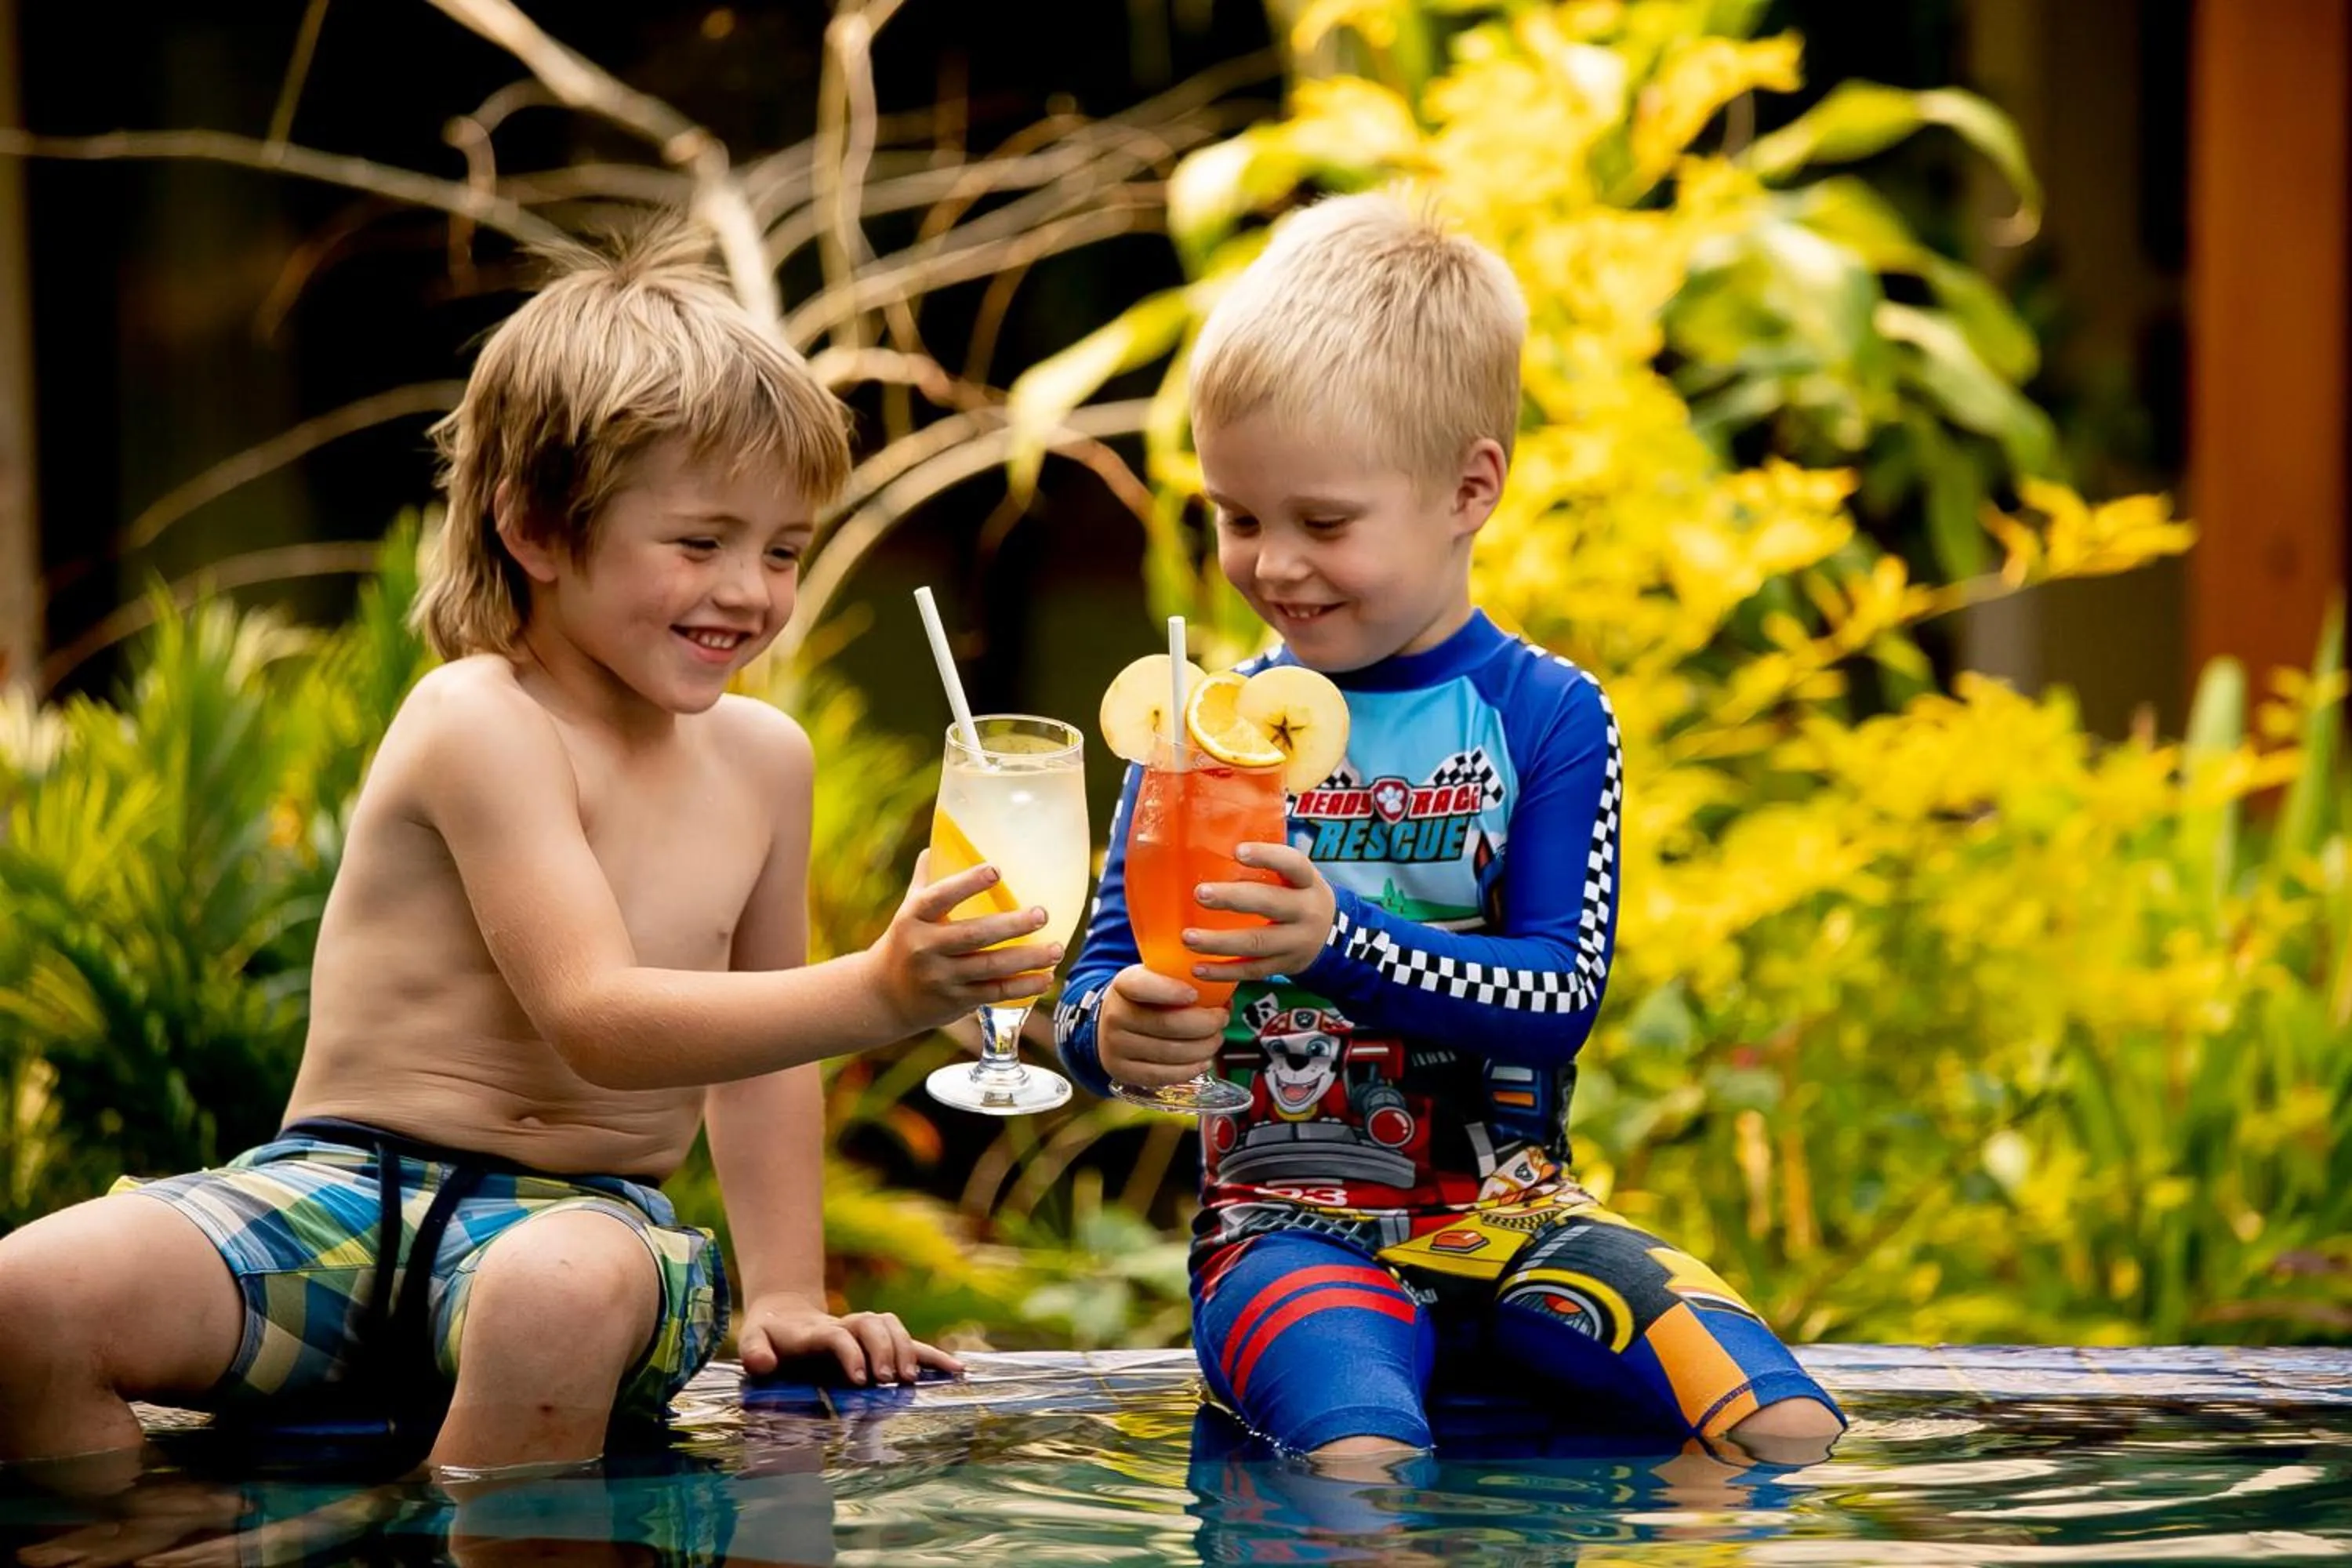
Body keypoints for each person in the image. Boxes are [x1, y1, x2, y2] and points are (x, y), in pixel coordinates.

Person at [0, 222, 1063, 1483]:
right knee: (23, 1305)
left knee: (548, 1295)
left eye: (781, 550)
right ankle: (136, 1535)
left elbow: (765, 1061)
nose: (751, 591)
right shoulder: (480, 719)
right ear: (540, 531)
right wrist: (884, 990)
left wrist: (788, 1292)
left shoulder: (765, 760)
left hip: (588, 1227)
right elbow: (596, 1019)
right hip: (343, 1194)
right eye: (700, 541)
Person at [1054, 193, 1845, 1470]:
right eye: (1238, 517)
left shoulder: (1547, 715)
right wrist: (1118, 1030)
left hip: (1523, 1223)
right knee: (1360, 1458)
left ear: (1470, 487)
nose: (1272, 565)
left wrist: (1333, 939)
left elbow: (1559, 996)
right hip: (1284, 1227)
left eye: (1325, 523)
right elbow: (1089, 1000)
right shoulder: (1201, 730)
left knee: (1781, 1423)